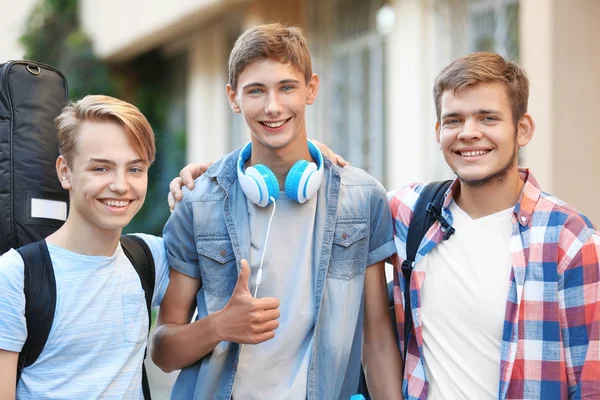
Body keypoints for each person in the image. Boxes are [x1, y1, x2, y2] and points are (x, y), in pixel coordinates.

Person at [170, 52, 600, 399]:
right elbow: (331, 190)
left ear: (522, 129)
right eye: (454, 120)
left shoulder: (568, 240)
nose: (469, 133)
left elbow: (591, 378)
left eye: (487, 118)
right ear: (438, 131)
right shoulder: (408, 211)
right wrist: (216, 175)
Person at [151, 23, 403, 400]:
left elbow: (378, 340)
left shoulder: (362, 198)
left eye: (287, 87)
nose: (273, 106)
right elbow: (162, 351)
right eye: (256, 90)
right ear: (233, 98)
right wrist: (220, 325)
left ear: (311, 89)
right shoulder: (198, 203)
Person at [0, 95, 170, 399]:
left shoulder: (151, 257)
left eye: (135, 169)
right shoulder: (14, 276)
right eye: (101, 168)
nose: (120, 185)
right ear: (65, 171)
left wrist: (203, 186)